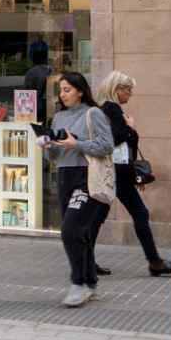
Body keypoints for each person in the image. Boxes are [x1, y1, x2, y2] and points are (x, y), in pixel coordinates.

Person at [42, 71, 114, 308]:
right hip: (65, 176)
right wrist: (47, 145)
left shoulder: (93, 114)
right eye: (61, 90)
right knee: (80, 234)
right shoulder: (59, 117)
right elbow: (55, 155)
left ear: (80, 91)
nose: (63, 95)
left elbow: (106, 145)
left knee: (70, 230)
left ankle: (78, 283)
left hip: (87, 176)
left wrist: (77, 144)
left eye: (67, 90)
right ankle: (90, 283)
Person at [98, 71, 171, 277]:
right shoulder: (112, 109)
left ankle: (86, 261)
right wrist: (130, 128)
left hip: (118, 172)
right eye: (128, 90)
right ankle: (154, 261)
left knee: (98, 216)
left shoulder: (107, 109)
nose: (130, 94)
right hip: (117, 172)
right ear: (117, 90)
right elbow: (115, 139)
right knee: (137, 214)